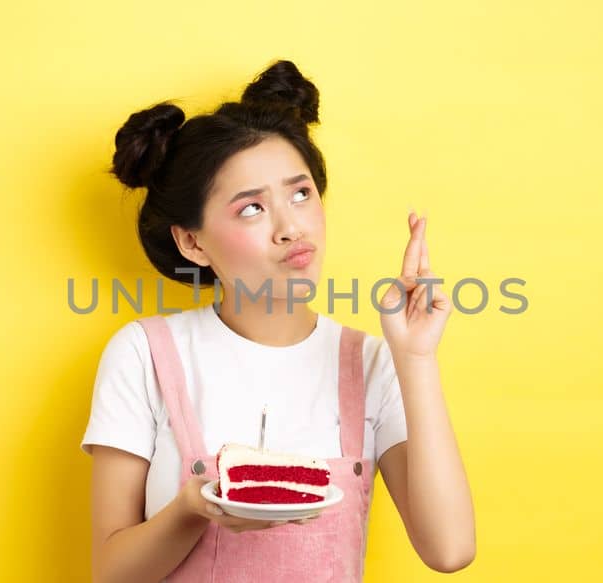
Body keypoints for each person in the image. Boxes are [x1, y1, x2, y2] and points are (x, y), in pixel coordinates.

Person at [82, 60, 474, 582]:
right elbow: (112, 574)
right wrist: (190, 511)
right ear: (192, 242)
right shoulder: (144, 354)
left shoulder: (373, 362)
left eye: (301, 193)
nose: (291, 227)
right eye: (250, 208)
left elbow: (449, 551)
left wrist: (417, 358)